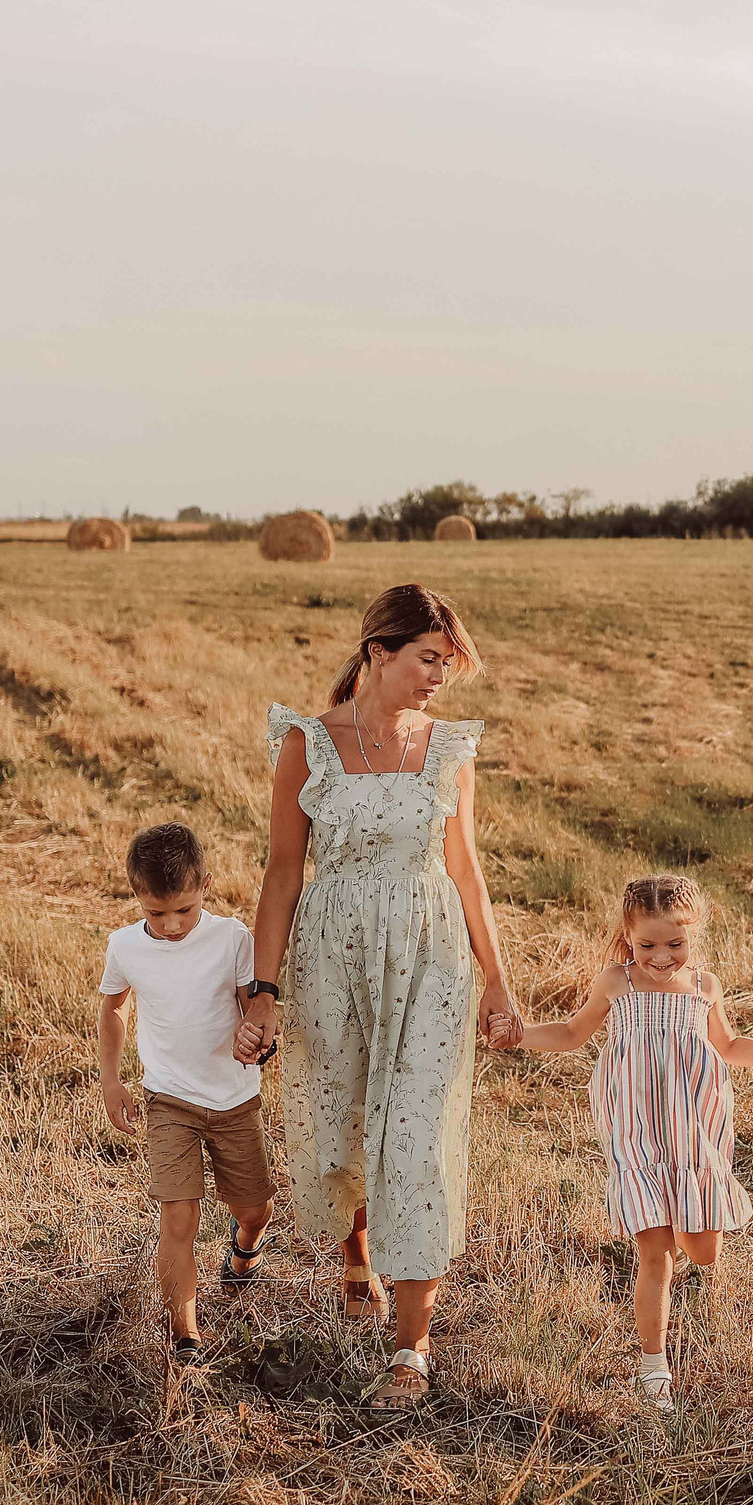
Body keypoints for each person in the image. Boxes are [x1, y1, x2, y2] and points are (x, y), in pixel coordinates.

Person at [239, 584, 520, 1409]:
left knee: (416, 1133)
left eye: (448, 661)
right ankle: (357, 1247)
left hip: (431, 954)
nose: (440, 675)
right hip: (332, 950)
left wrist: (497, 981)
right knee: (342, 1127)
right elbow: (282, 872)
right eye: (427, 658)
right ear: (378, 654)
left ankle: (411, 1347)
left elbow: (467, 871)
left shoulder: (449, 750)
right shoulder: (308, 744)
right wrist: (263, 989)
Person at [511, 875, 753, 1412]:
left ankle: (688, 1214)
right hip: (635, 1135)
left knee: (702, 1252)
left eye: (675, 944)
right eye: (648, 945)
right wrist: (520, 1033)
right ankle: (653, 1366)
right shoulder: (617, 983)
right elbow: (570, 1033)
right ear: (628, 939)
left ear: (693, 937)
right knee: (654, 1252)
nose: (662, 956)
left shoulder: (704, 987)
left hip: (694, 1132)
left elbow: (727, 1046)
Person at [95, 822, 276, 1370]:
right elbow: (112, 1009)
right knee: (178, 1221)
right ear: (135, 896)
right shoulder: (125, 946)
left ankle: (245, 1247)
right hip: (167, 1100)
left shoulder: (233, 939)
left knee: (254, 1207)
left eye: (184, 911)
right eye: (156, 914)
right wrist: (110, 1080)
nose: (171, 926)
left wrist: (258, 1036)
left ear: (207, 887)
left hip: (233, 1100)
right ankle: (184, 1337)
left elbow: (254, 1009)